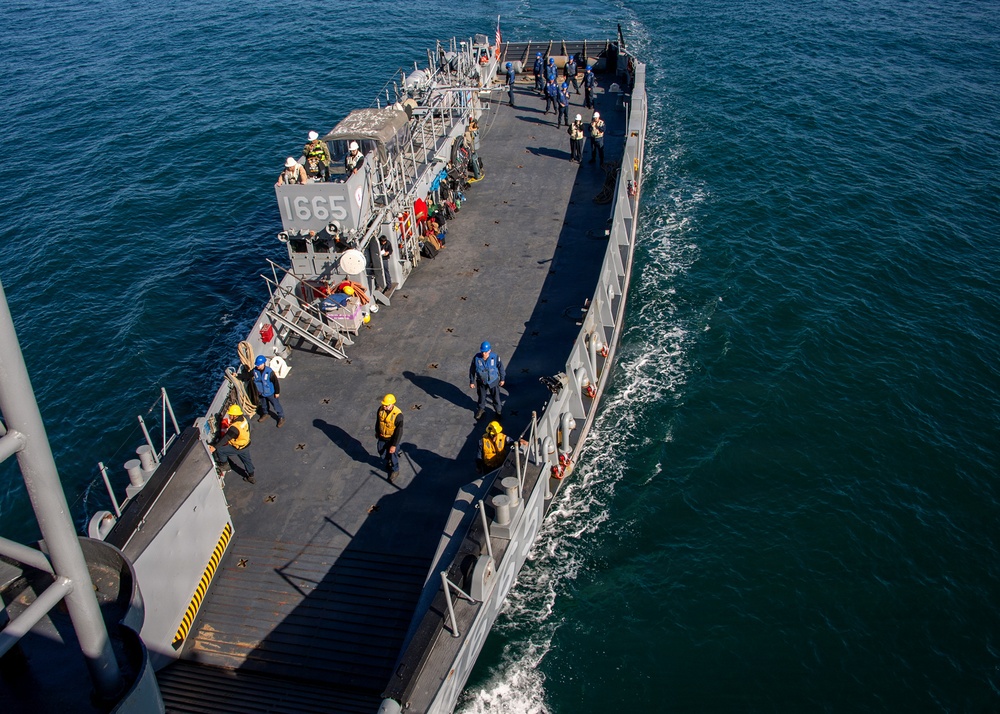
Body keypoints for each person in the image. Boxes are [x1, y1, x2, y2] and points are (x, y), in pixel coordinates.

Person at [208, 404, 256, 484]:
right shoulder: (244, 419)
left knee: (220, 450)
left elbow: (225, 438)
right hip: (246, 444)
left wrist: (215, 447)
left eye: (230, 415)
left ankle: (225, 465)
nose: (229, 416)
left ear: (235, 416)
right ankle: (251, 477)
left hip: (238, 447)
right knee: (247, 461)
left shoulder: (235, 427)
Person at [469, 340, 505, 420]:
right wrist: (472, 381)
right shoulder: (476, 358)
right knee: (481, 397)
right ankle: (481, 409)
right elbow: (472, 370)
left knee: (496, 397)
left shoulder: (495, 357)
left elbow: (501, 368)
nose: (483, 353)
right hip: (481, 382)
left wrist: (502, 379)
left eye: (485, 352)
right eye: (482, 352)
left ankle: (498, 411)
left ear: (489, 351)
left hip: (493, 381)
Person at [375, 393, 403, 482]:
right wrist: (377, 432)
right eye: (384, 405)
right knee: (381, 451)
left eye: (386, 405)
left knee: (393, 454)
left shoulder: (398, 415)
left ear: (392, 404)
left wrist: (394, 445)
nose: (384, 406)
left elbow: (399, 432)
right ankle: (389, 460)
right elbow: (378, 422)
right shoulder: (380, 410)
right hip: (382, 437)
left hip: (392, 439)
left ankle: (395, 470)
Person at [252, 355, 285, 427]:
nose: (257, 366)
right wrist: (238, 375)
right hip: (261, 393)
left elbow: (275, 382)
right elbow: (248, 375)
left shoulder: (269, 372)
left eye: (258, 365)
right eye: (257, 365)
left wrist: (277, 392)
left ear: (263, 364)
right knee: (264, 405)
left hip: (270, 393)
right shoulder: (255, 371)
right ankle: (266, 413)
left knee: (276, 405)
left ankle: (281, 417)